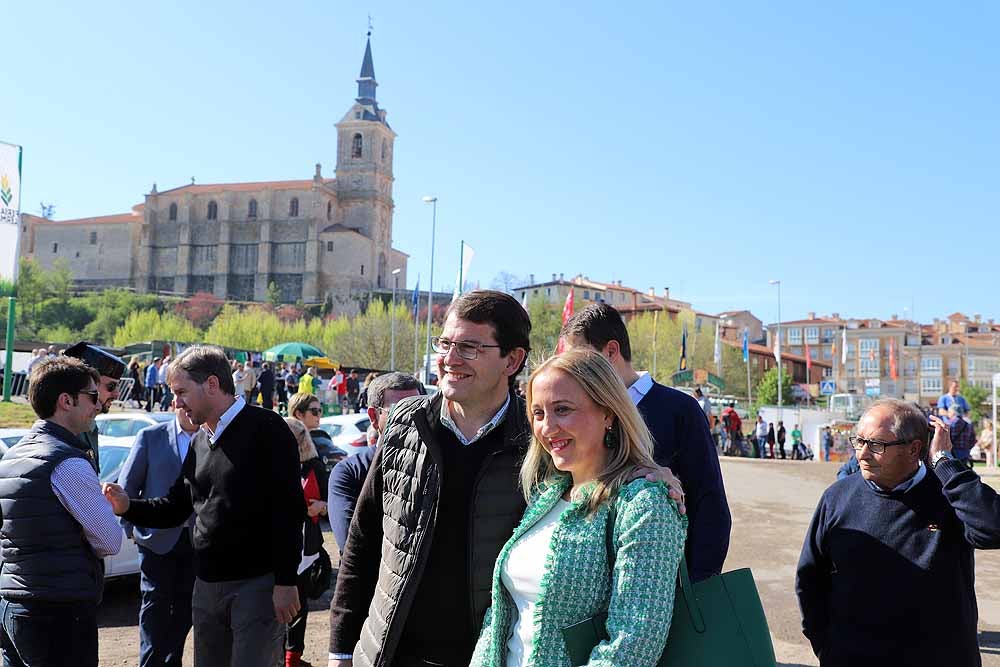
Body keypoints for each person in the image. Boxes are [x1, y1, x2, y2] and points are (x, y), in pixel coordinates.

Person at [327, 292, 683, 667]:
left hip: (477, 653)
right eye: (445, 343)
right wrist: (341, 648)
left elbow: (634, 632)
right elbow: (364, 541)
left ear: (512, 360)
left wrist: (651, 473)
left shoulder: (542, 452)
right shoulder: (404, 422)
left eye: (469, 347)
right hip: (390, 651)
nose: (449, 359)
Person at [470, 349, 687, 666]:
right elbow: (501, 616)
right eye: (539, 414)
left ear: (608, 413)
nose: (547, 427)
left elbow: (633, 645)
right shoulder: (546, 498)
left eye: (563, 409)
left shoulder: (643, 503)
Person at [102, 345, 305, 667]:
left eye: (181, 392)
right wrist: (127, 506)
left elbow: (289, 510)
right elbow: (176, 506)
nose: (176, 402)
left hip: (257, 586)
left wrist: (285, 581)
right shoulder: (201, 440)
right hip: (207, 585)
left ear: (211, 384)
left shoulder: (267, 429)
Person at [796, 399, 1000, 666]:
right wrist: (828, 647)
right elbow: (810, 579)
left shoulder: (948, 495)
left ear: (914, 448)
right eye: (859, 441)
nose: (862, 454)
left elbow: (993, 527)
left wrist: (945, 464)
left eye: (877, 445)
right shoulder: (838, 497)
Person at [561, 302, 730, 582]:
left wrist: (698, 588)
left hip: (661, 586)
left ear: (611, 352)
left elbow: (709, 505)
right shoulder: (578, 414)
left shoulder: (681, 410)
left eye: (580, 360)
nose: (572, 372)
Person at [0, 356, 122, 666]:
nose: (98, 405)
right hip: (58, 610)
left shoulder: (13, 455)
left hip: (12, 602)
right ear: (66, 401)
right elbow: (110, 541)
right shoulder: (68, 462)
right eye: (92, 397)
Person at [118, 399, 199, 667]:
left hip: (198, 542)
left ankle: (171, 659)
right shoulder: (151, 437)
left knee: (187, 609)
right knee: (155, 607)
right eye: (183, 403)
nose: (188, 410)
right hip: (156, 541)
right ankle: (150, 662)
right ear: (174, 402)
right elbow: (128, 486)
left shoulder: (211, 438)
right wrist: (130, 529)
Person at [327, 372, 422, 553]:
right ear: (373, 416)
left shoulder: (434, 467)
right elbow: (352, 542)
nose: (412, 419)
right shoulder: (349, 472)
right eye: (400, 411)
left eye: (419, 410)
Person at [282, 417, 329, 667]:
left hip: (306, 550)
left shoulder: (314, 466)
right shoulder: (269, 464)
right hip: (275, 549)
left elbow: (330, 504)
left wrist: (322, 507)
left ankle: (292, 658)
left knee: (298, 607)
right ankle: (276, 656)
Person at [65, 341, 127, 468]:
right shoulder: (69, 426)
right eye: (111, 386)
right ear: (90, 384)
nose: (117, 394)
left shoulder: (90, 426)